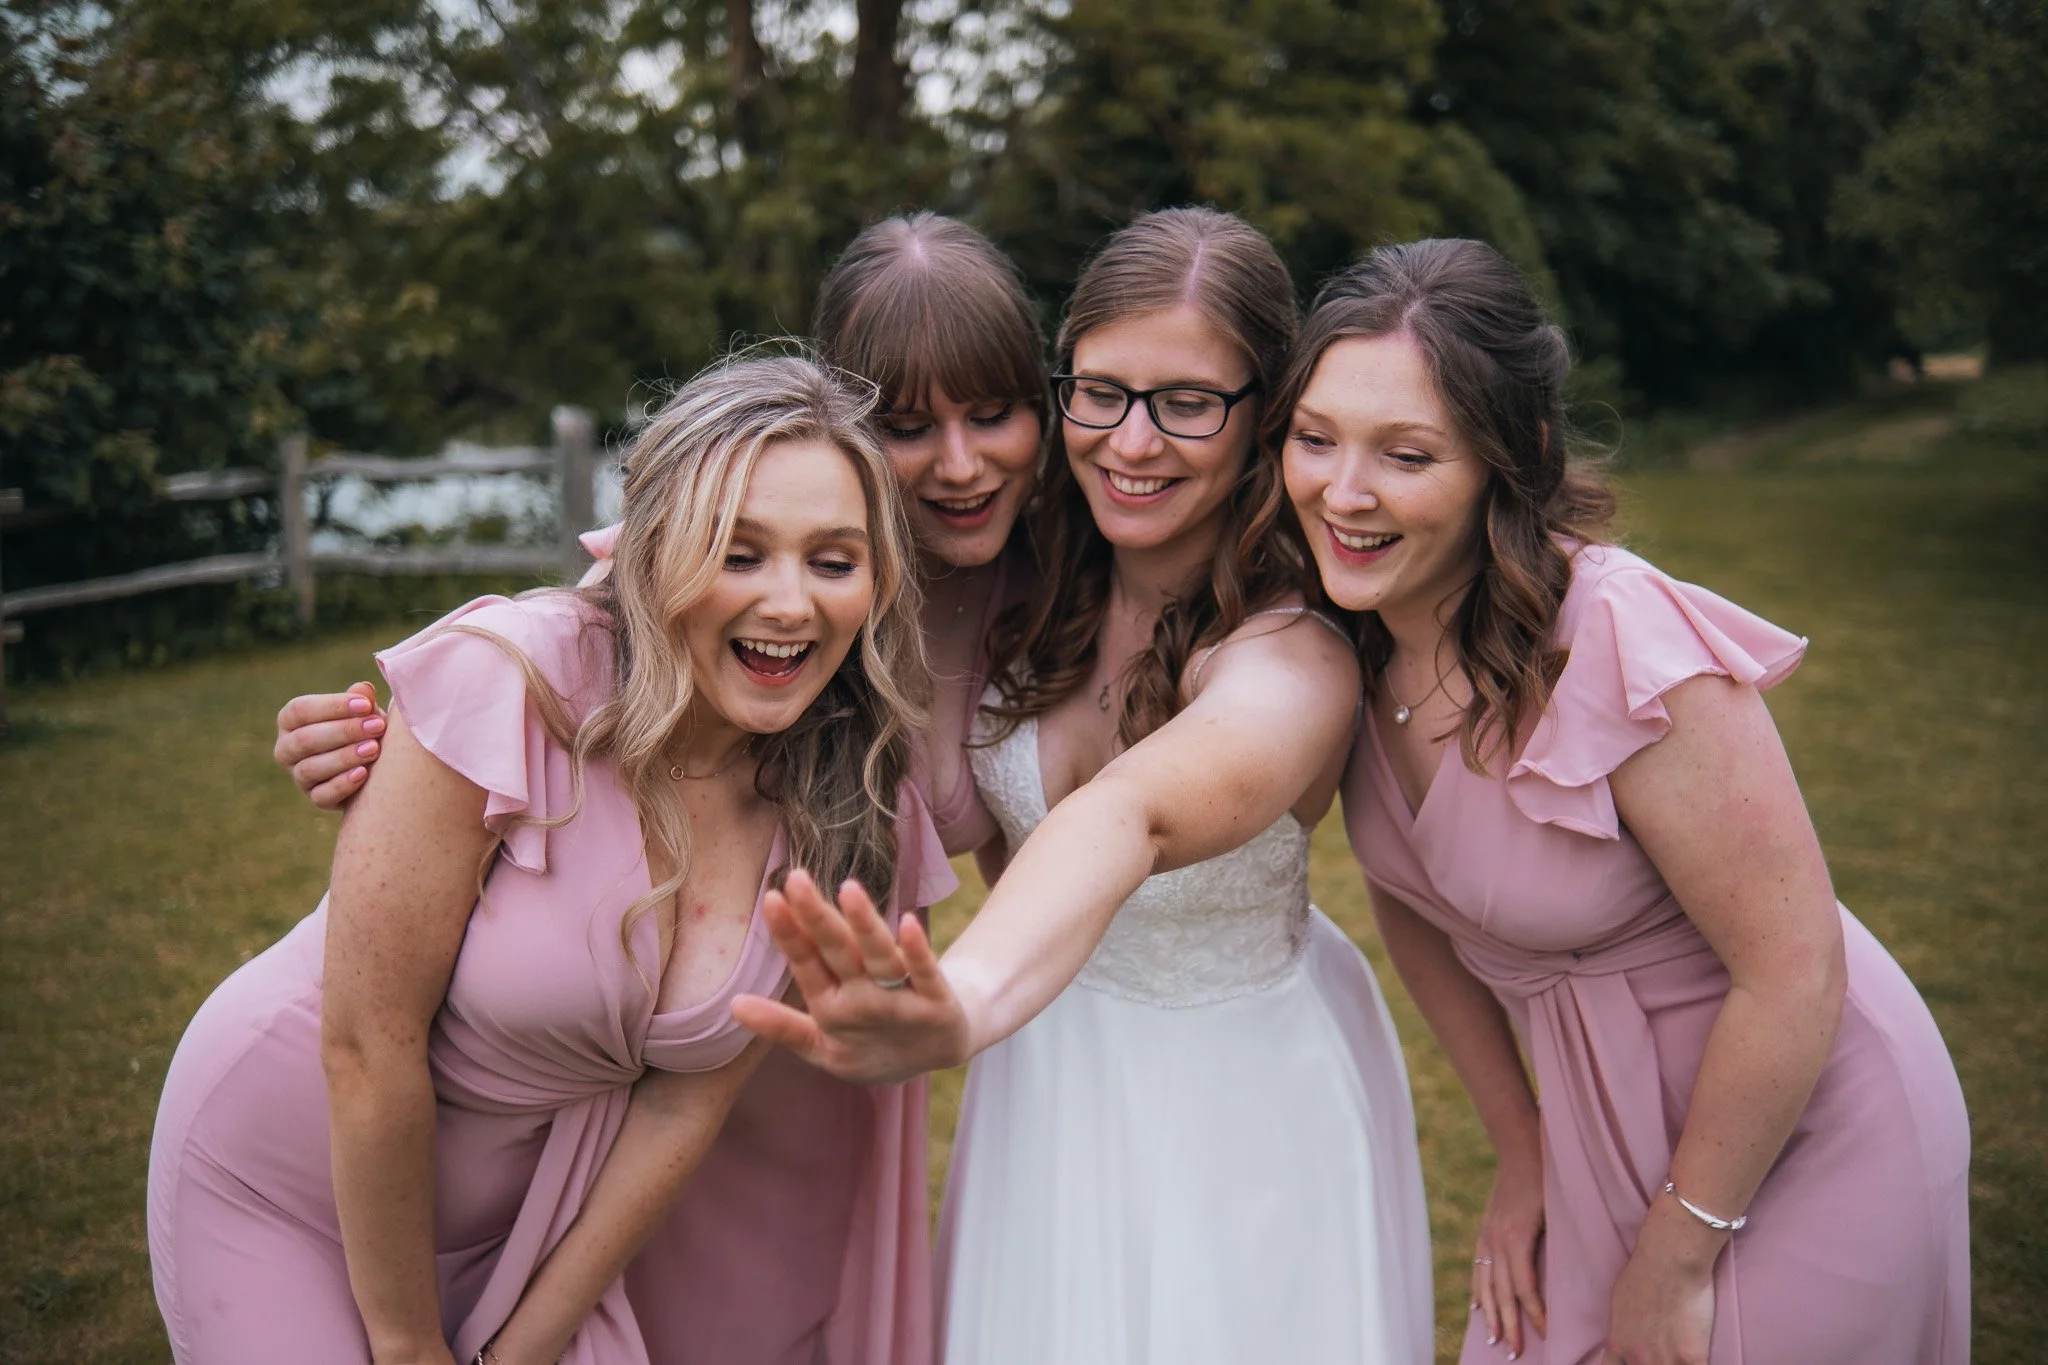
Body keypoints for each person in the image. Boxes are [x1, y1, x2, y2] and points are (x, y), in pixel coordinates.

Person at [265, 212, 1050, 1364]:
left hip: (822, 1052)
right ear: (827, 411)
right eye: (905, 422)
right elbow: (569, 667)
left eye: (992, 412)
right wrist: (369, 744)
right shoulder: (740, 530)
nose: (961, 462)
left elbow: (1043, 849)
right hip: (641, 1028)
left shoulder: (1052, 602)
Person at [148, 353, 953, 1365]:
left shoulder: (846, 797)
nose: (791, 604)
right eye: (738, 553)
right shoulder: (512, 681)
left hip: (528, 1226)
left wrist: (523, 1345)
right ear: (655, 551)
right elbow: (367, 1039)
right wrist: (407, 1347)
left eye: (832, 562)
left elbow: (683, 1102)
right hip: (289, 1173)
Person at [736, 208, 1434, 1365]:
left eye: (1188, 402)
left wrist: (957, 1002)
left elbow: (1129, 812)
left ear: (1266, 416)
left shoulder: (1293, 652)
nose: (1132, 441)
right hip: (1047, 1086)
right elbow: (736, 539)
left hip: (1232, 1107)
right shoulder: (1023, 569)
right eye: (1100, 391)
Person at [1274, 238, 1970, 1364]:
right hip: (1591, 1137)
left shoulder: (1613, 638)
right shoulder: (1341, 645)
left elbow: (1791, 970)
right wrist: (1519, 1145)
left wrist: (1680, 1252)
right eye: (1313, 440)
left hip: (1790, 1132)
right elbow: (1415, 905)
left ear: (1513, 457)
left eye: (1404, 455)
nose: (1341, 493)